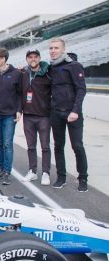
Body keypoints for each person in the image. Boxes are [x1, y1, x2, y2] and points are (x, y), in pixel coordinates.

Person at [48, 38, 88, 192]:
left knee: (77, 146)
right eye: (51, 48)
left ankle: (83, 178)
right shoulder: (50, 67)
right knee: (58, 146)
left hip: (72, 114)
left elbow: (81, 89)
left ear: (63, 49)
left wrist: (75, 111)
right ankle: (61, 177)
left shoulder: (74, 66)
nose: (53, 51)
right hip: (56, 113)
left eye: (56, 48)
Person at [0, 48, 23, 185]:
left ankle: (7, 172)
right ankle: (0, 169)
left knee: (7, 144)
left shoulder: (17, 74)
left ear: (3, 59)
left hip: (9, 115)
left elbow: (20, 93)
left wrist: (19, 110)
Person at [21, 49, 52, 186]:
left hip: (44, 115)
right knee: (31, 146)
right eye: (30, 57)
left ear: (39, 58)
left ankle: (46, 172)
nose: (32, 59)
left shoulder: (47, 73)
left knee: (45, 146)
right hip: (28, 115)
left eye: (35, 57)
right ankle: (32, 171)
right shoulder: (23, 73)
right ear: (27, 59)